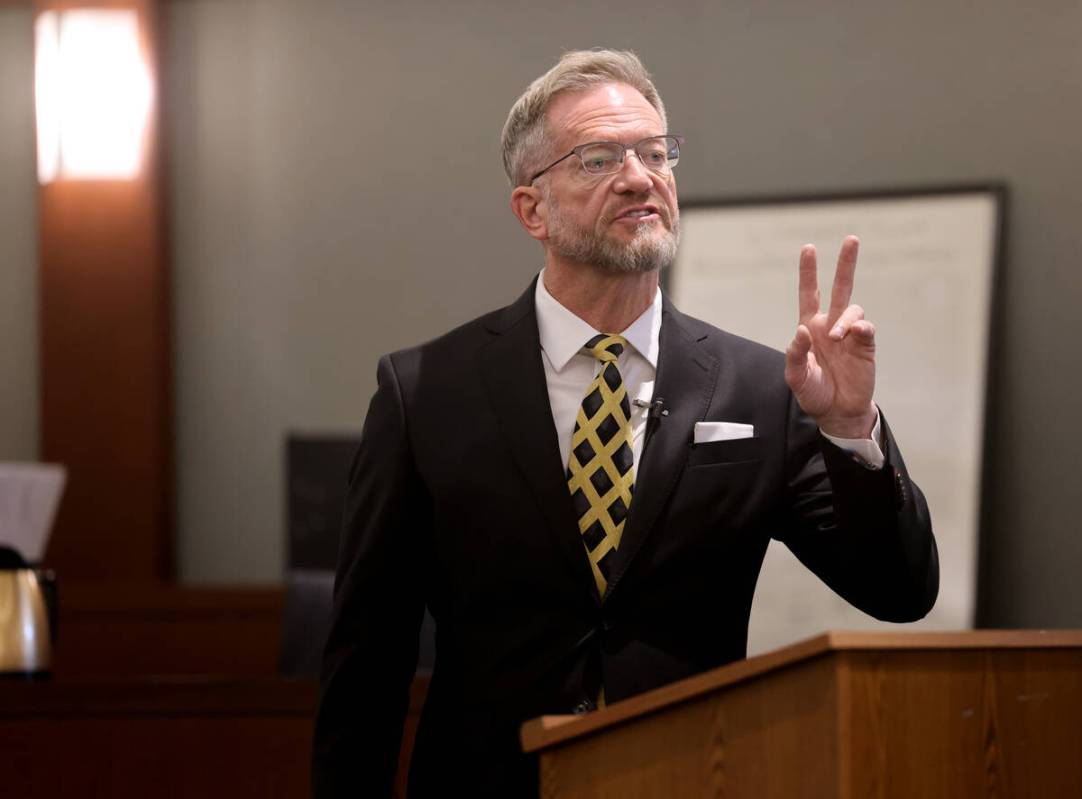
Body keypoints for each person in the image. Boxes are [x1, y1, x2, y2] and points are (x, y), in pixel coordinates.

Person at [312, 49, 938, 797]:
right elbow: (367, 663)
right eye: (598, 158)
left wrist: (850, 427)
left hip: (695, 777)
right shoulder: (425, 392)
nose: (639, 177)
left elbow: (900, 592)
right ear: (531, 209)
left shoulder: (760, 388)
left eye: (654, 152)